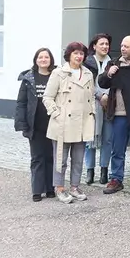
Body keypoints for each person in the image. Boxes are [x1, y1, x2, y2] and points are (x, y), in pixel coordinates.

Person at [97, 36, 130, 194]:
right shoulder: (114, 63)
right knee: (117, 148)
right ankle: (116, 179)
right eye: (121, 46)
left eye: (126, 46)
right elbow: (102, 83)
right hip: (119, 113)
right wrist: (109, 74)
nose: (122, 49)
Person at [43, 42, 96, 204]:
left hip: (82, 122)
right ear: (69, 55)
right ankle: (59, 188)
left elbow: (91, 97)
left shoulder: (88, 74)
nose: (79, 56)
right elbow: (47, 97)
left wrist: (92, 113)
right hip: (63, 123)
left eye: (81, 54)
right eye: (76, 53)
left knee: (79, 158)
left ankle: (75, 186)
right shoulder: (59, 73)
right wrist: (57, 113)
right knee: (61, 158)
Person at [15, 48, 57, 201]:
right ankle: (37, 190)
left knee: (51, 157)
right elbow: (21, 103)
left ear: (51, 60)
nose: (43, 59)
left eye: (46, 57)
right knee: (37, 157)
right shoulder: (29, 78)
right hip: (35, 125)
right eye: (41, 57)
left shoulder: (56, 76)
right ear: (36, 60)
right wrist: (22, 124)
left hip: (53, 123)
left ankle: (51, 188)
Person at [83, 33, 113, 185]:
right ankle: (90, 170)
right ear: (94, 46)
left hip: (109, 105)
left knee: (107, 139)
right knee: (91, 138)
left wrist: (107, 96)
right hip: (92, 105)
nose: (105, 46)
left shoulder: (113, 63)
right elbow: (86, 84)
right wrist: (100, 96)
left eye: (107, 44)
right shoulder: (87, 62)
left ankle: (104, 170)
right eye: (101, 44)